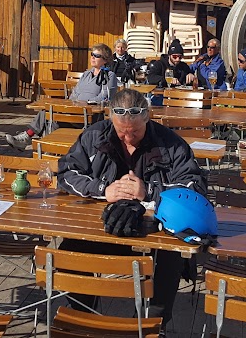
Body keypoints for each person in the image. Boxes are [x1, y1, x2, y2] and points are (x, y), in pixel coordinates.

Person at [57, 88, 205, 331]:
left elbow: (193, 187)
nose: (127, 138)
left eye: (135, 132)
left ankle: (152, 326)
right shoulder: (94, 136)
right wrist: (103, 190)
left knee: (170, 258)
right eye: (121, 131)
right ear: (111, 120)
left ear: (147, 117)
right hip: (103, 228)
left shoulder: (171, 144)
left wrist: (147, 191)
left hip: (156, 237)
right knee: (69, 250)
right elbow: (66, 173)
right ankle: (85, 318)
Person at [6, 43, 120, 150]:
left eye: (96, 55)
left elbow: (105, 97)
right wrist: (70, 105)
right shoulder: (86, 74)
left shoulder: (110, 76)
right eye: (92, 54)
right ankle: (47, 150)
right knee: (49, 113)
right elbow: (75, 93)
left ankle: (30, 140)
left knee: (50, 118)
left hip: (90, 116)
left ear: (105, 59)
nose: (92, 57)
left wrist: (85, 103)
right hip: (74, 111)